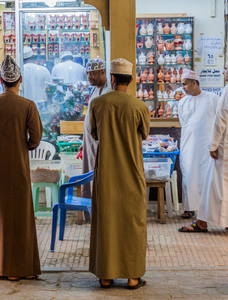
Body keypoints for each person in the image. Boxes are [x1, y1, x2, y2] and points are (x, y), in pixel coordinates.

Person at [0, 56, 43, 280]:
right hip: (17, 167)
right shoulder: (28, 106)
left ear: (1, 80)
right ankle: (15, 269)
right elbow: (35, 139)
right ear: (20, 81)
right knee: (17, 216)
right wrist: (20, 145)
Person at [180, 56, 228, 234]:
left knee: (214, 185)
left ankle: (202, 223)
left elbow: (221, 118)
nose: (223, 72)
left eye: (225, 69)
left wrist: (213, 145)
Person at [89, 58, 150, 289]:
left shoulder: (98, 104)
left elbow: (95, 134)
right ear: (131, 80)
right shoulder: (139, 107)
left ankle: (105, 276)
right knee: (132, 222)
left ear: (112, 78)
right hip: (132, 172)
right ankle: (133, 277)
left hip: (106, 173)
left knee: (107, 222)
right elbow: (144, 134)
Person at [176, 70, 218, 221]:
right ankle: (189, 208)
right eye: (182, 85)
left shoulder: (212, 98)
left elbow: (219, 121)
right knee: (188, 175)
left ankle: (207, 209)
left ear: (194, 83)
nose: (183, 88)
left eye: (185, 84)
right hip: (188, 144)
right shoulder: (182, 102)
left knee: (205, 176)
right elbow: (184, 123)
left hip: (206, 146)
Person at [80, 58, 110, 200]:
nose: (89, 77)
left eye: (92, 74)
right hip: (89, 142)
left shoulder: (107, 91)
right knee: (90, 174)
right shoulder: (95, 89)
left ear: (102, 72)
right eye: (88, 74)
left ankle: (98, 212)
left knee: (97, 176)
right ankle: (91, 212)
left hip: (98, 143)